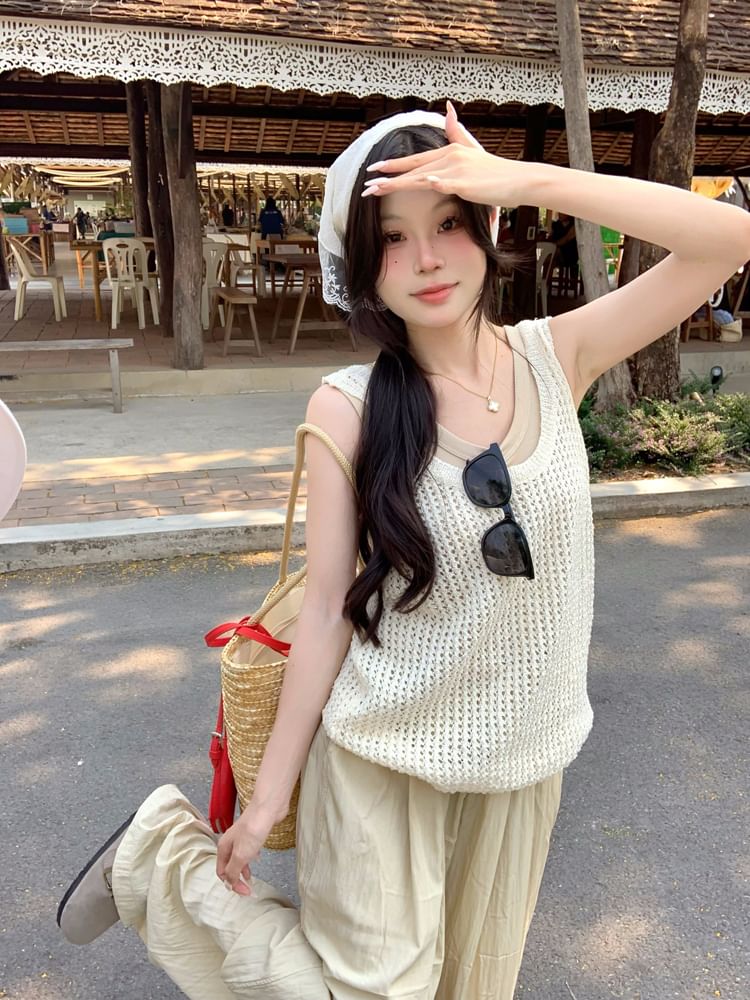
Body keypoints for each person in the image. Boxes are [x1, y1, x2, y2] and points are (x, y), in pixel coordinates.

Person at [56, 102, 750, 999]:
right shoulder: (349, 405)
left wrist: (524, 178)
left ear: (486, 228)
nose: (425, 259)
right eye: (391, 238)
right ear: (359, 261)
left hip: (524, 764)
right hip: (382, 758)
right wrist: (265, 799)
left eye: (450, 223)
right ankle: (163, 858)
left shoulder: (558, 355)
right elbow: (325, 612)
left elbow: (728, 240)